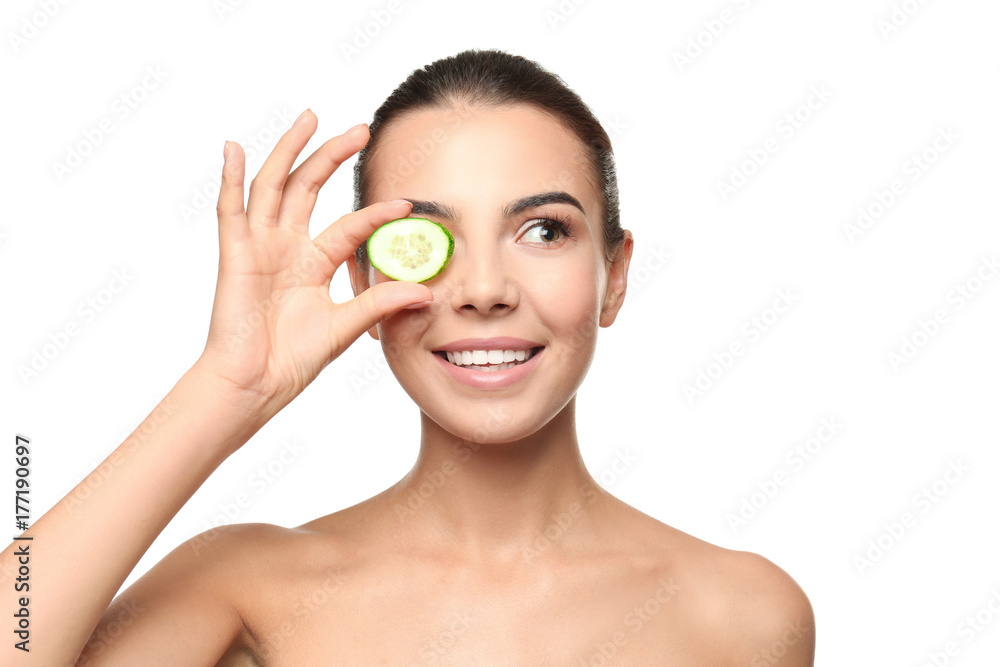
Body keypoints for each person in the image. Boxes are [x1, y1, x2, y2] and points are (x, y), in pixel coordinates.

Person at [2, 48, 814, 665]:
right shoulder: (246, 587)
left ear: (615, 275)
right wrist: (227, 388)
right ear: (362, 277)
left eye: (543, 230)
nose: (485, 288)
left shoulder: (743, 612)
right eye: (427, 239)